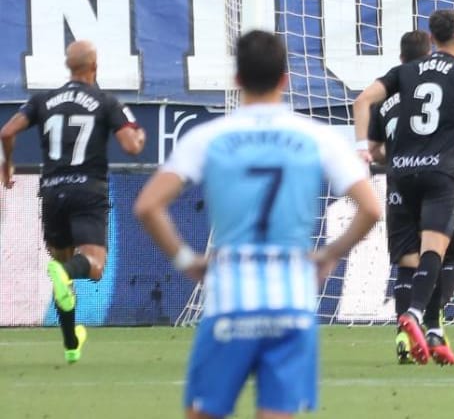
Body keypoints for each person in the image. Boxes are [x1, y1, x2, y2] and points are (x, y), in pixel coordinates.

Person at [134, 30, 382, 419]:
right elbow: (370, 208)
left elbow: (148, 206)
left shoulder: (209, 137)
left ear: (236, 80)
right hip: (293, 300)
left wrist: (187, 260)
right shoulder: (318, 137)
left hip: (232, 298)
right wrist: (330, 254)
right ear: (286, 78)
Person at [352, 9, 454, 366]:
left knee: (408, 258)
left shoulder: (406, 74)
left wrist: (361, 151)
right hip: (440, 175)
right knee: (440, 251)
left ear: (430, 37)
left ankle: (426, 329)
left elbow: (362, 101)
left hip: (401, 174)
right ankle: (418, 316)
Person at [0, 39, 147, 364]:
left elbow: (7, 132)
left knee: (62, 274)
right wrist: (139, 133)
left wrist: (7, 163)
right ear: (95, 67)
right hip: (88, 192)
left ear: (69, 66)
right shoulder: (105, 102)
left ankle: (70, 342)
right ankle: (65, 274)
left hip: (51, 193)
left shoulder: (44, 100)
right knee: (91, 267)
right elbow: (132, 147)